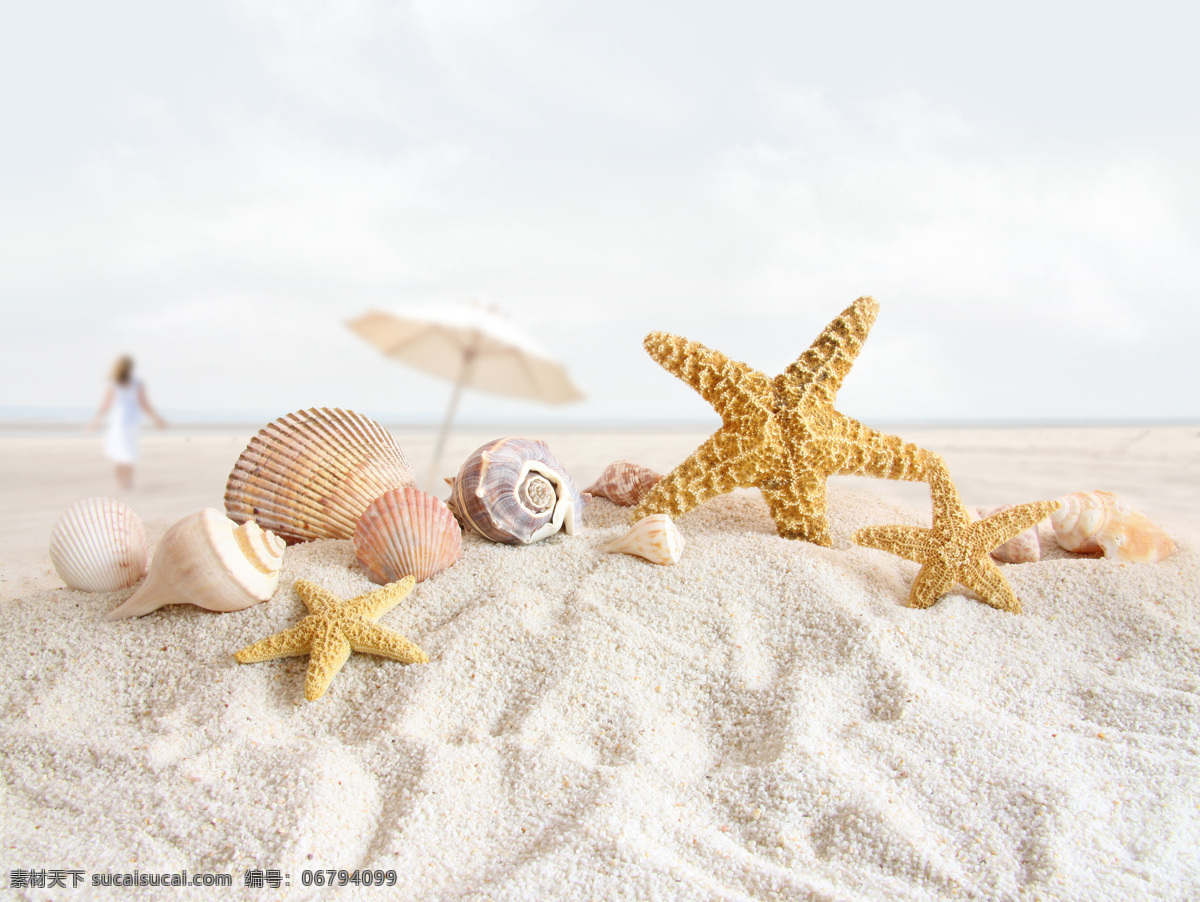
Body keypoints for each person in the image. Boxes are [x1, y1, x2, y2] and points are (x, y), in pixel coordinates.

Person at [86, 355, 167, 490]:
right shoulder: (134, 383)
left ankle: (121, 483)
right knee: (128, 450)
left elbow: (105, 406)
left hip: (120, 420)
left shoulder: (118, 383)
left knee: (121, 452)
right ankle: (127, 482)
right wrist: (157, 419)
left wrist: (94, 423)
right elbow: (144, 404)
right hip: (131, 419)